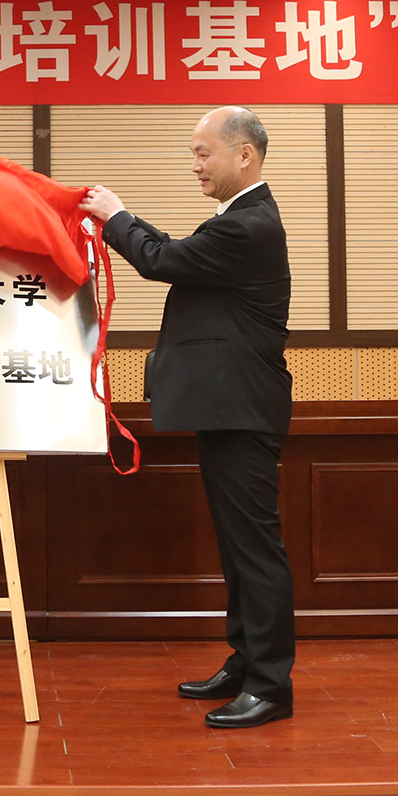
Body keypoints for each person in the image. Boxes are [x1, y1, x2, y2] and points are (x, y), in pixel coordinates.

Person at [81, 106, 295, 728]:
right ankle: (245, 661)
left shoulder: (248, 226)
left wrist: (116, 216)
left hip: (242, 409)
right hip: (228, 407)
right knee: (237, 545)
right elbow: (176, 255)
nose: (195, 165)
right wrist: (120, 221)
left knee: (254, 548)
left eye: (204, 153)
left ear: (244, 156)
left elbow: (163, 261)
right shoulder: (238, 220)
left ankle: (271, 684)